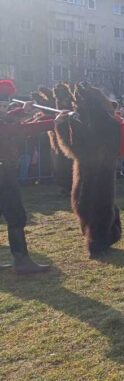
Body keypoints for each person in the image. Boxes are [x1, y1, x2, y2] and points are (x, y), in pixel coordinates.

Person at [0, 88, 63, 273]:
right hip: (3, 173)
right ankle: (21, 261)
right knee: (16, 215)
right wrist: (54, 122)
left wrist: (24, 110)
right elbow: (16, 129)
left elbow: (8, 118)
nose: (5, 108)